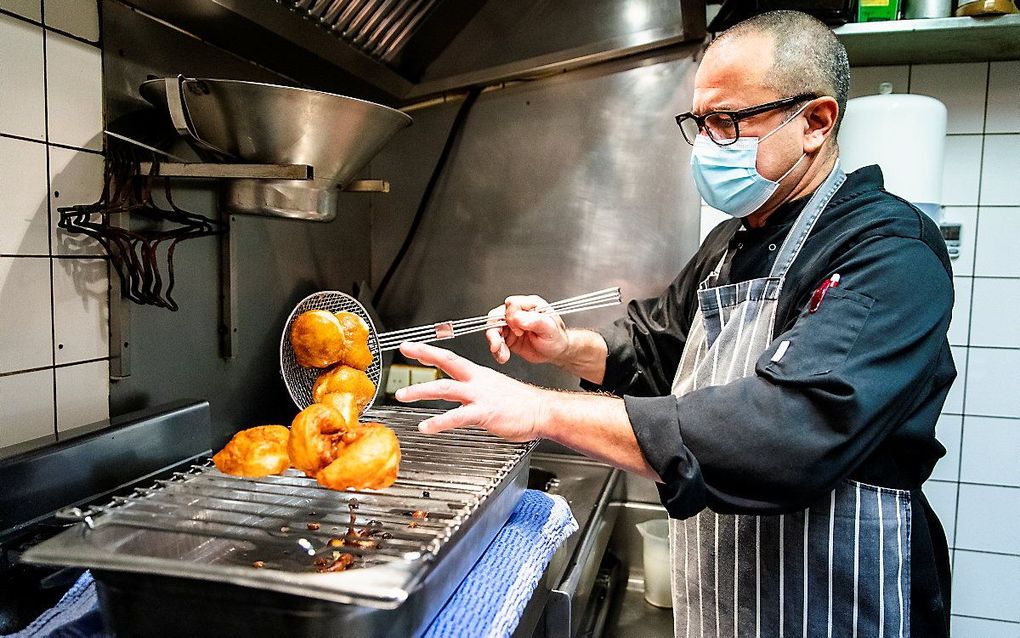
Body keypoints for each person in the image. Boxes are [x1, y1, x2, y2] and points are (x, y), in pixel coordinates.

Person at [395, 10, 954, 638]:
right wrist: (564, 347)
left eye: (728, 121)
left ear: (815, 124)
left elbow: (790, 431)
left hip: (837, 599)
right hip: (724, 597)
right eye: (700, 122)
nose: (710, 143)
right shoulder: (729, 244)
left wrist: (538, 409)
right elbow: (656, 354)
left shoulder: (889, 250)